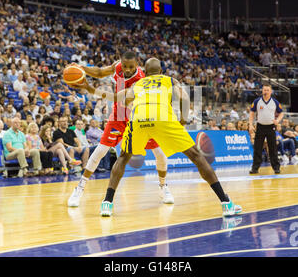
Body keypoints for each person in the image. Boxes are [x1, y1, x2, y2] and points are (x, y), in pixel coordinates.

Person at [97, 58, 242, 217]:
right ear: (160, 71)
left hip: (139, 119)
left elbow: (122, 99)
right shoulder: (169, 80)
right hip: (163, 118)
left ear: (144, 73)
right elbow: (184, 98)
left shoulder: (138, 84)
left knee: (123, 157)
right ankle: (225, 202)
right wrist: (183, 119)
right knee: (196, 156)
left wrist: (90, 89)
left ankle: (107, 203)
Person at [67, 52, 173, 207]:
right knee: (99, 151)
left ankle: (163, 187)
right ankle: (79, 188)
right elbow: (100, 72)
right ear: (121, 63)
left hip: (138, 120)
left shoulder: (141, 80)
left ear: (137, 64)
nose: (127, 70)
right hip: (118, 118)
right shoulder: (117, 67)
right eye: (125, 66)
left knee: (161, 155)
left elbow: (121, 97)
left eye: (131, 67)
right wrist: (81, 68)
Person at [249, 83, 284, 174]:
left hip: (271, 127)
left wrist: (278, 120)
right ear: (262, 91)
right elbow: (252, 113)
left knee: (272, 148)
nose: (266, 92)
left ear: (271, 91)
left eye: (267, 90)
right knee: (257, 148)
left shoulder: (275, 102)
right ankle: (255, 168)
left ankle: (276, 167)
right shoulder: (257, 101)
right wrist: (250, 124)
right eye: (264, 90)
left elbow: (281, 113)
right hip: (260, 126)